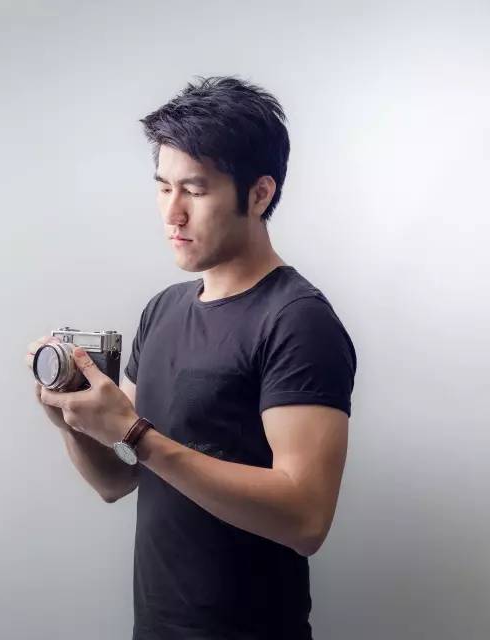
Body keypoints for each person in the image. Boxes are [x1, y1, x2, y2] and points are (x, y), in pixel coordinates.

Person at [26, 75, 357, 639]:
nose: (172, 213)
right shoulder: (163, 309)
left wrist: (134, 433)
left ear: (259, 194)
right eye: (163, 187)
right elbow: (118, 480)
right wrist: (70, 421)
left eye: (195, 191)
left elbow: (306, 518)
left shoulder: (298, 321)